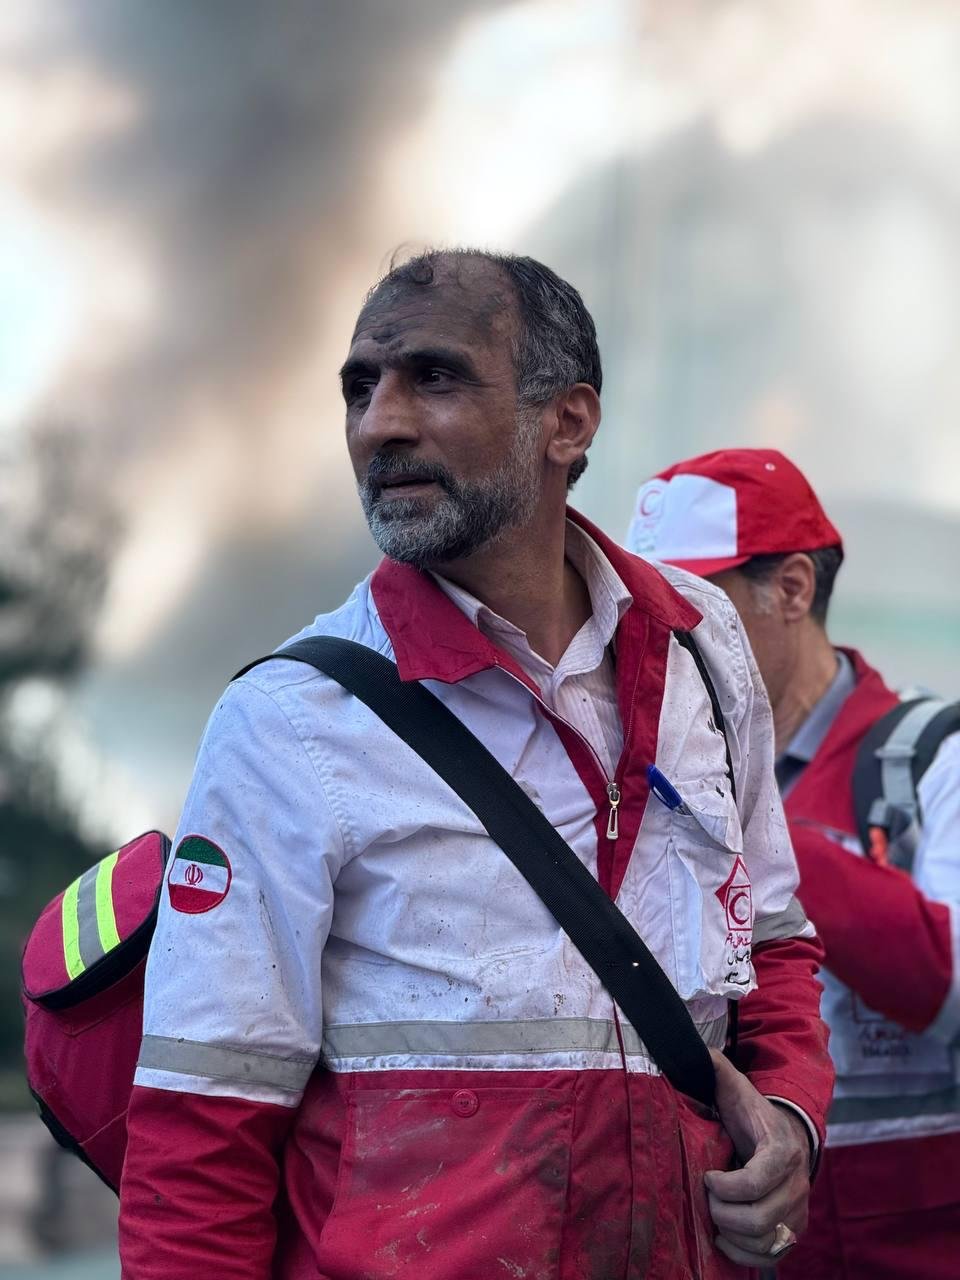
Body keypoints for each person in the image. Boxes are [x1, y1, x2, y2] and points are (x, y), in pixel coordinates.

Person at [118, 254, 833, 1279]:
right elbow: (200, 1135)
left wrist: (793, 1118)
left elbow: (772, 943)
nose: (380, 423)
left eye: (434, 377)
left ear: (567, 422)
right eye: (360, 388)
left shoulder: (701, 644)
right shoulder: (288, 720)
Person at [627, 447, 960, 1280]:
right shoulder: (649, 777)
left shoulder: (935, 757)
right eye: (643, 607)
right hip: (738, 1242)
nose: (666, 636)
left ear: (794, 589)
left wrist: (763, 834)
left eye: (694, 604)